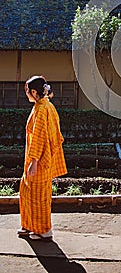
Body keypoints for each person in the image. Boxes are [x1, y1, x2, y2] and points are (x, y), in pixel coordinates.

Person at [17, 75, 67, 241]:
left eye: (27, 92)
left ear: (33, 92)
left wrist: (34, 161)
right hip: (41, 158)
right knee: (25, 191)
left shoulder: (41, 108)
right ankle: (29, 225)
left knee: (38, 196)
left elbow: (39, 136)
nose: (27, 95)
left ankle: (44, 230)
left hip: (39, 160)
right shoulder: (46, 105)